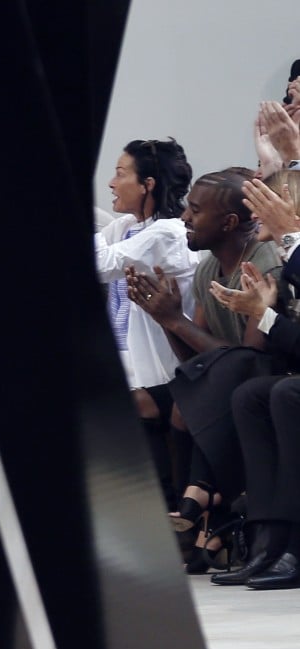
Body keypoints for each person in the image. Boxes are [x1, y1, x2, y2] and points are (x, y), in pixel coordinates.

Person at [126, 168, 282, 572]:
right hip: (228, 384)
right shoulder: (206, 269)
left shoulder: (262, 262)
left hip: (266, 380)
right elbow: (197, 362)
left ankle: (194, 510)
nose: (184, 219)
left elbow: (248, 360)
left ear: (229, 223)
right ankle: (196, 515)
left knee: (191, 402)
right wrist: (166, 317)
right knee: (158, 397)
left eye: (195, 211)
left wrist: (177, 321)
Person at [207, 170, 300, 587]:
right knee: (251, 394)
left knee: (287, 394)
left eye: (267, 202)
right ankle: (268, 538)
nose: (255, 212)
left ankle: (295, 544)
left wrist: (264, 315)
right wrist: (264, 310)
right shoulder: (285, 265)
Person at [95, 139, 197, 508]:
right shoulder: (126, 225)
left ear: (148, 184)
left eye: (121, 174)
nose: (111, 182)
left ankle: (166, 511)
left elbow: (99, 263)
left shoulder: (167, 233)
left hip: (160, 368)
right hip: (125, 360)